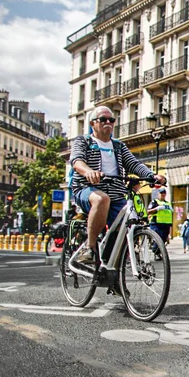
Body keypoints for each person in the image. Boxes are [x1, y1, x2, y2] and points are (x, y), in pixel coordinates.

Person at [70, 106, 165, 265]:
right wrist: (88, 172)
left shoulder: (118, 146)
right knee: (102, 199)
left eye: (111, 120)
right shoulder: (84, 141)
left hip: (116, 194)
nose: (108, 122)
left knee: (128, 222)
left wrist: (151, 175)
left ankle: (112, 272)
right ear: (93, 123)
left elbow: (133, 164)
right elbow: (77, 161)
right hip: (87, 189)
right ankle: (90, 248)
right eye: (103, 119)